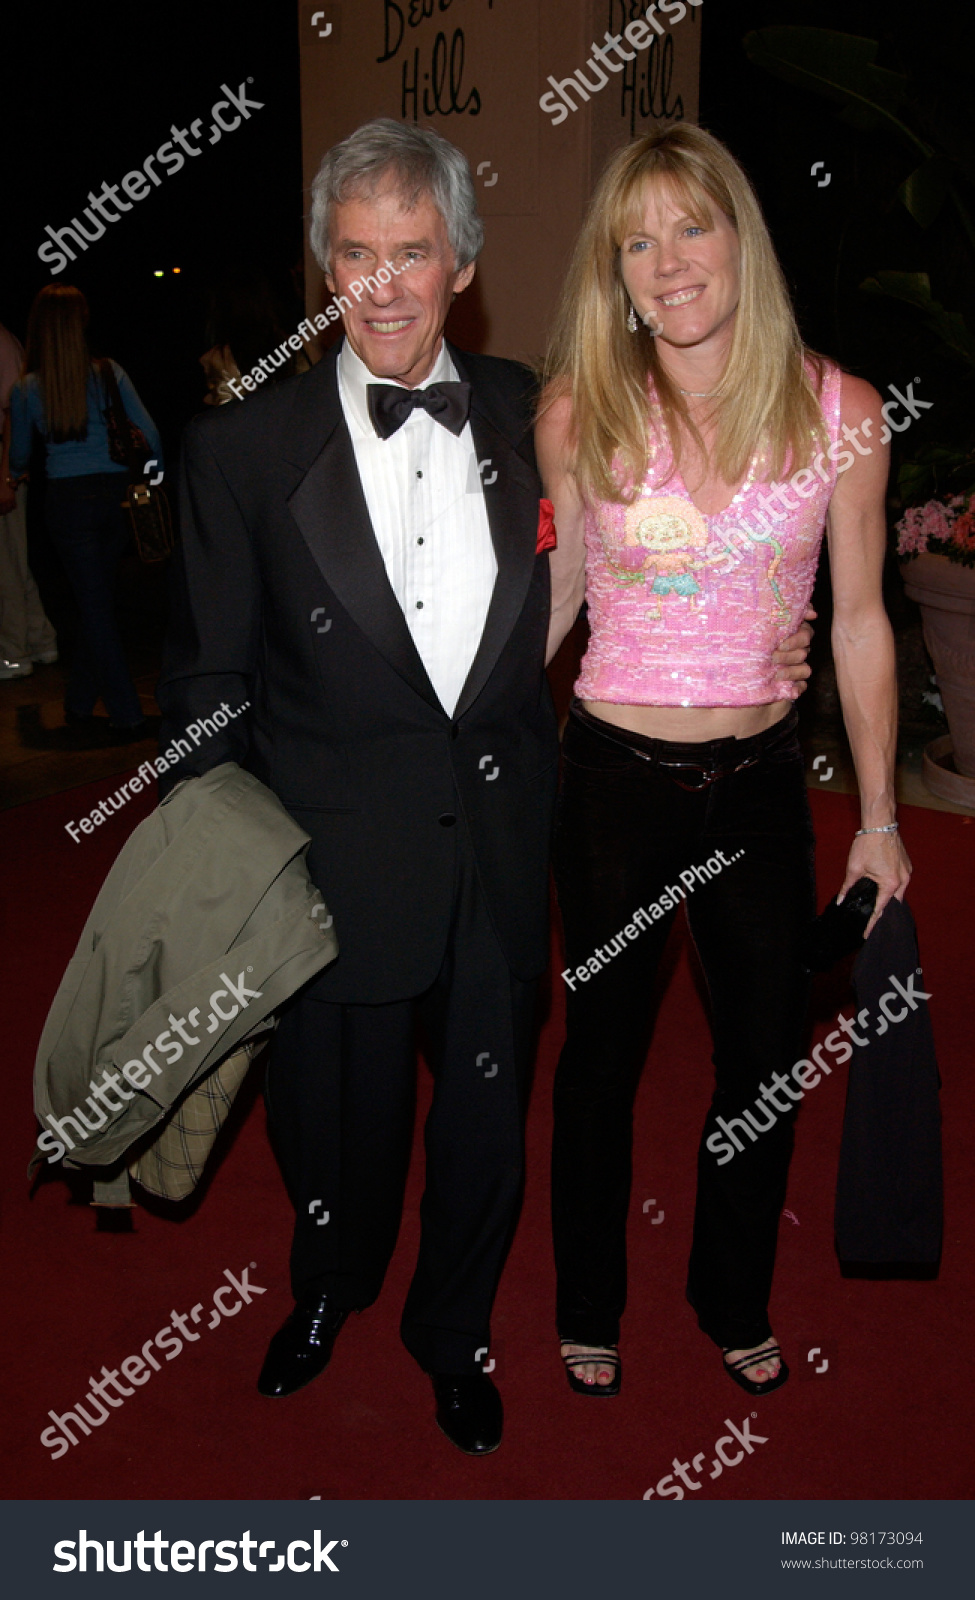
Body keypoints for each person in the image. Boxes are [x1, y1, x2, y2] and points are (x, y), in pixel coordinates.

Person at [155, 119, 560, 1456]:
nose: (383, 287)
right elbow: (210, 685)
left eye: (412, 253)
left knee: (486, 1128)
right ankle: (325, 1293)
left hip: (498, 851)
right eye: (354, 254)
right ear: (322, 267)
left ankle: (453, 1333)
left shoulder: (532, 409)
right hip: (327, 869)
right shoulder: (240, 452)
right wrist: (220, 883)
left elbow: (641, 558)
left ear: (460, 261)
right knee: (337, 1128)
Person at [537, 124, 912, 1399]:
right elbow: (550, 607)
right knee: (600, 1058)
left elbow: (860, 621)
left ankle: (729, 1291)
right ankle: (588, 1299)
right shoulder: (579, 408)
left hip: (758, 787)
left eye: (690, 227)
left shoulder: (842, 411)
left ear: (740, 237)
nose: (668, 260)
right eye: (637, 240)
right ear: (616, 271)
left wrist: (877, 818)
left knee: (760, 1061)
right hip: (611, 786)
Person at [9, 286, 162, 735]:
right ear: (81, 324)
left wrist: (15, 472)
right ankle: (82, 705)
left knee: (94, 607)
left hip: (66, 500)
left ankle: (125, 716)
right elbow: (149, 434)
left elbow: (19, 456)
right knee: (98, 605)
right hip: (114, 496)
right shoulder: (107, 372)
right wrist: (153, 481)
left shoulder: (26, 390)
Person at [0, 318, 57, 678]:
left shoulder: (1, 341)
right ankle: (39, 639)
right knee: (13, 558)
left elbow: (11, 412)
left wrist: (6, 476)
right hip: (8, 461)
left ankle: (12, 652)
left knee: (5, 561)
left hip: (3, 460)